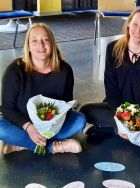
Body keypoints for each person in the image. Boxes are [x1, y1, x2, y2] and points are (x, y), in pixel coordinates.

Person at [80, 8, 140, 141]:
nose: (138, 31)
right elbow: (111, 90)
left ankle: (120, 129)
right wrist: (122, 120)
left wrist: (135, 123)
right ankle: (129, 129)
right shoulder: (113, 48)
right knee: (85, 110)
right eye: (135, 24)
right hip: (116, 109)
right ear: (128, 24)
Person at [0, 23, 86, 155]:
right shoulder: (15, 70)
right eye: (34, 40)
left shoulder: (65, 70)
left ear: (52, 43)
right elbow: (7, 108)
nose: (41, 45)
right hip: (22, 124)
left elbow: (66, 106)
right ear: (28, 46)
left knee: (80, 120)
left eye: (45, 40)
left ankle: (22, 145)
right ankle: (54, 147)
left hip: (52, 127)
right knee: (2, 129)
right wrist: (29, 128)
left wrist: (51, 129)